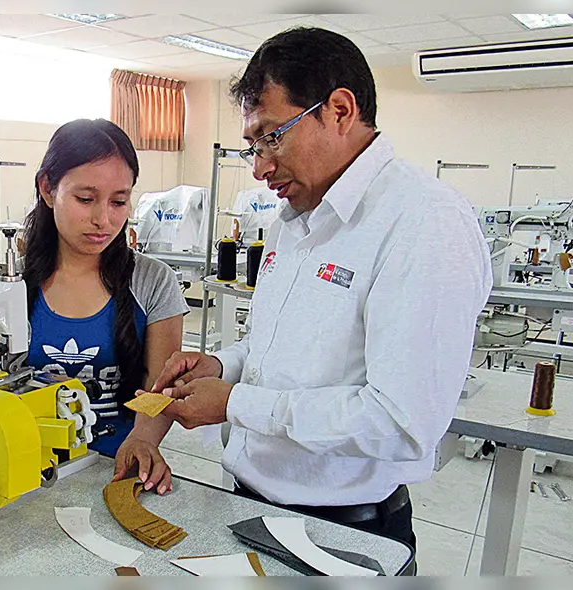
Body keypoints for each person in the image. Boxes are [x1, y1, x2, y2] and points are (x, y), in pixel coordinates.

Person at [115, 27, 493, 553]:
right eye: (252, 145)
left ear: (339, 111)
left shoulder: (424, 224)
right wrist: (222, 366)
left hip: (343, 532)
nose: (260, 167)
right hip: (248, 507)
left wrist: (237, 403)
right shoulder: (295, 221)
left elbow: (402, 422)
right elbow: (273, 348)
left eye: (272, 137)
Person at [0, 119, 188, 460]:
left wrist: (142, 442)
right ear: (48, 189)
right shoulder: (9, 288)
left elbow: (158, 386)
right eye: (85, 198)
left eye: (118, 202)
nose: (102, 219)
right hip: (25, 464)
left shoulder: (153, 282)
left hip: (114, 464)